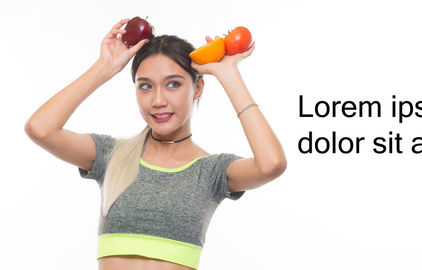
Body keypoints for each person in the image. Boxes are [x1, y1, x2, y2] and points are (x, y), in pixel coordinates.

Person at [24, 18, 287, 270]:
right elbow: (40, 129)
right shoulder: (111, 154)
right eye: (145, 86)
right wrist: (104, 68)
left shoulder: (212, 171)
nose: (158, 100)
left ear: (198, 88)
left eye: (173, 84)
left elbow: (271, 164)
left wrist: (230, 76)